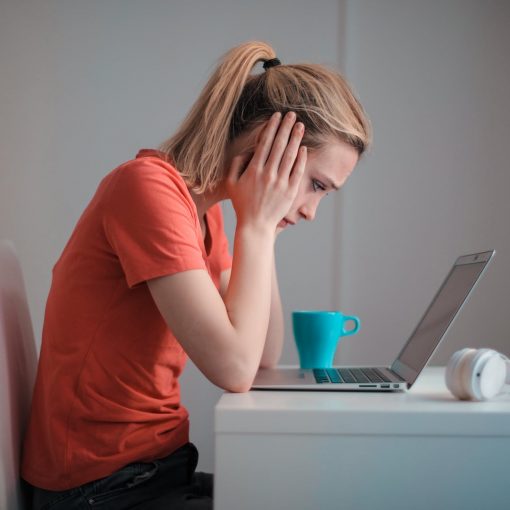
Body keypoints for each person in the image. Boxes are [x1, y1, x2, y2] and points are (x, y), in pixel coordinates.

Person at [21, 40, 371, 509]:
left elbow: (262, 354)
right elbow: (235, 369)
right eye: (317, 185)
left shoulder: (204, 214)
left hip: (156, 468)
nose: (312, 210)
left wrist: (264, 226)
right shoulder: (147, 189)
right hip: (98, 487)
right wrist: (259, 226)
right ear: (271, 146)